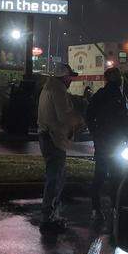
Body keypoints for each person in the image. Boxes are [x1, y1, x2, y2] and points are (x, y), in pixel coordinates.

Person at [37, 63, 85, 234]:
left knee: (56, 175)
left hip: (47, 136)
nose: (71, 80)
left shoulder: (48, 88)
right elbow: (64, 115)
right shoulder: (58, 90)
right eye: (70, 77)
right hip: (53, 139)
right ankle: (49, 216)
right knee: (55, 178)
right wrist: (79, 120)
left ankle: (50, 215)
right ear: (64, 77)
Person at [84, 67, 128, 221]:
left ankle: (97, 208)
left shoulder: (103, 94)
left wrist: (95, 132)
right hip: (114, 141)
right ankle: (114, 207)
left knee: (101, 174)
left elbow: (89, 114)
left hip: (105, 141)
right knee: (115, 175)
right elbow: (124, 119)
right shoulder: (117, 95)